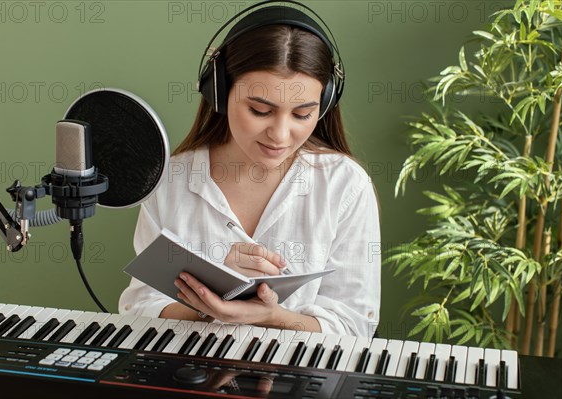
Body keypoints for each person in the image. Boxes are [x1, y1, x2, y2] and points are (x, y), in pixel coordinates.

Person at [119, 1, 380, 339]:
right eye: (260, 110)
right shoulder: (170, 179)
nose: (281, 135)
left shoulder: (345, 185)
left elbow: (354, 326)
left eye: (302, 115)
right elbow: (139, 309)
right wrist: (207, 304)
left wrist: (274, 316)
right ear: (220, 92)